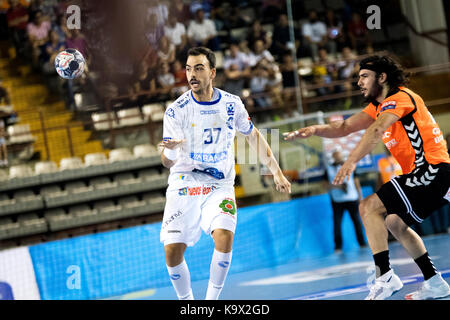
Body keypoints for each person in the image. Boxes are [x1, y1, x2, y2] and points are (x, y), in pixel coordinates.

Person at [284, 55, 450, 300]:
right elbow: (344, 127)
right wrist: (315, 130)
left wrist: (350, 162)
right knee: (394, 223)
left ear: (382, 78)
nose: (359, 82)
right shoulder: (377, 106)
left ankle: (384, 277)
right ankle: (435, 282)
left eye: (364, 76)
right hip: (429, 175)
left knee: (368, 206)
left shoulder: (401, 98)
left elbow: (376, 130)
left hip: (432, 170)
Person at [159, 47, 291, 300]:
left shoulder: (232, 104)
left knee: (224, 235)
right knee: (172, 251)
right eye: (188, 69)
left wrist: (276, 171)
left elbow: (253, 136)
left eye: (198, 68)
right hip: (184, 181)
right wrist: (172, 152)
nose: (192, 74)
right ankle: (187, 302)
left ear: (212, 72)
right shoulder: (176, 110)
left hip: (219, 184)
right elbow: (166, 162)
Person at [325, 149, 366, 252]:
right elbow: (324, 184)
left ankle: (362, 243)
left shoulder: (350, 166)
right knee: (337, 223)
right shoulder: (329, 169)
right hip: (337, 200)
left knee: (357, 221)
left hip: (352, 198)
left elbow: (356, 181)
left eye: (339, 156)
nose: (338, 158)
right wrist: (338, 187)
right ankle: (338, 247)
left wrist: (360, 197)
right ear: (333, 157)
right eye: (336, 156)